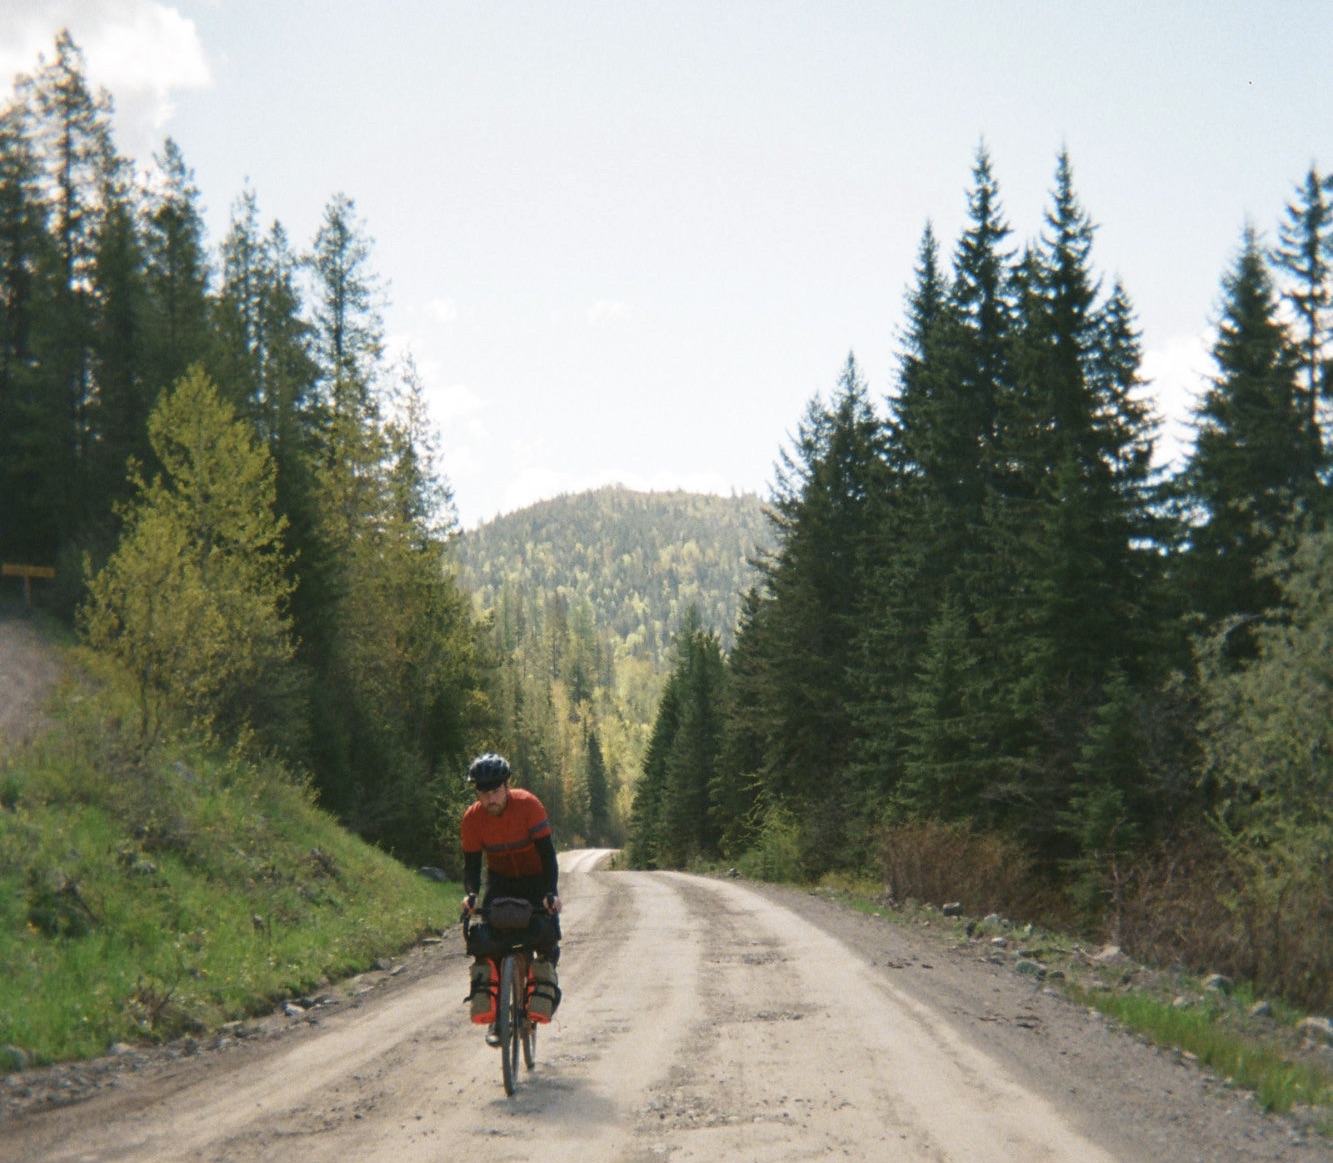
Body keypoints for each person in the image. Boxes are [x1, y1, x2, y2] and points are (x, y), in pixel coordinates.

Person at [460, 753, 562, 1041]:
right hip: (501, 882)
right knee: (488, 942)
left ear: (507, 786)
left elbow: (547, 854)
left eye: (495, 791)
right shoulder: (472, 819)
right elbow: (471, 866)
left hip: (536, 878)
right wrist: (470, 895)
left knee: (545, 938)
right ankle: (497, 1019)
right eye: (483, 792)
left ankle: (537, 1000)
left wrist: (550, 894)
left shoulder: (529, 805)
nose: (490, 799)